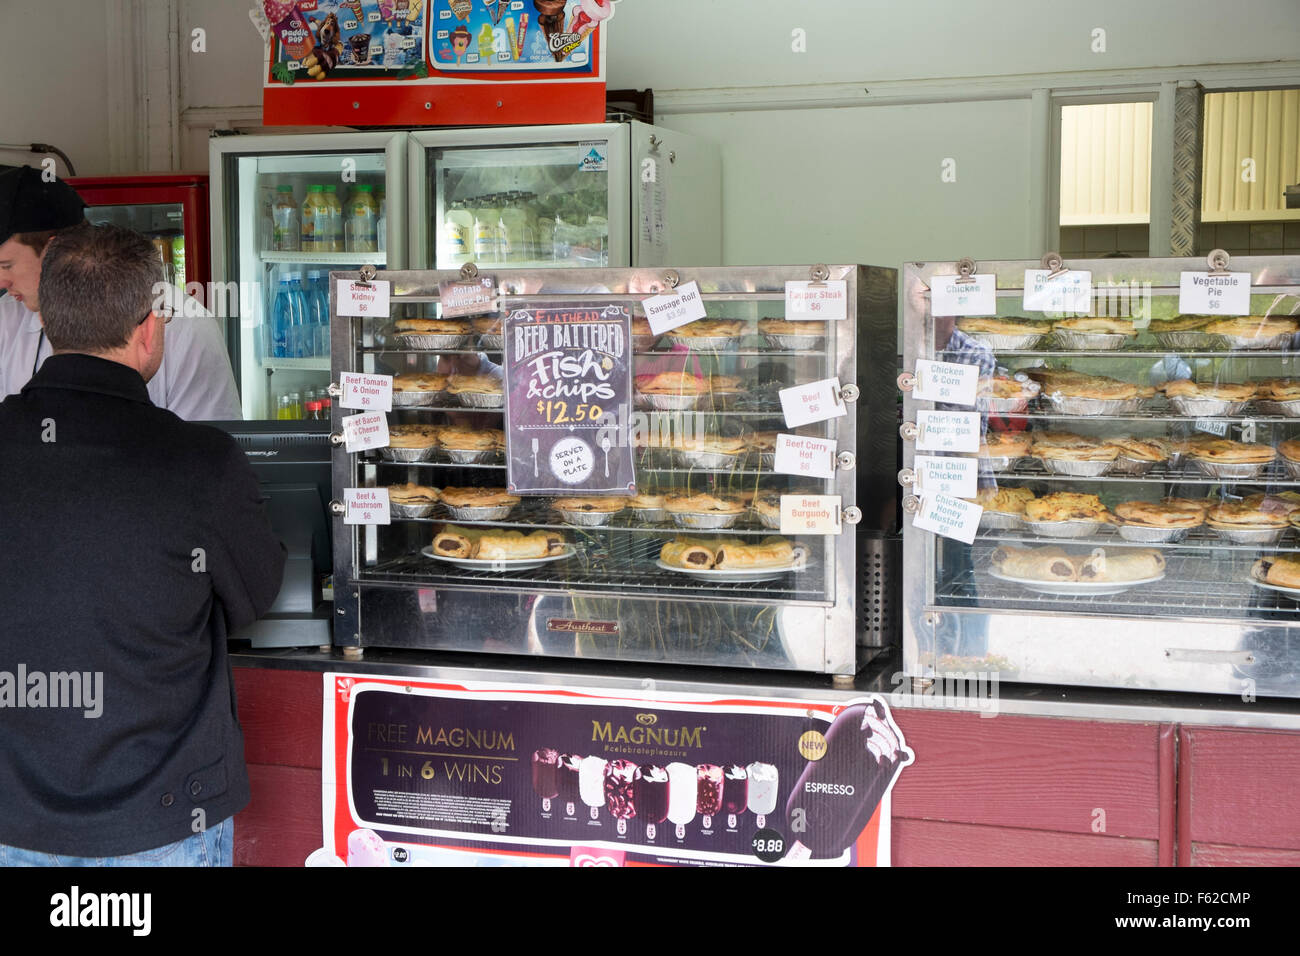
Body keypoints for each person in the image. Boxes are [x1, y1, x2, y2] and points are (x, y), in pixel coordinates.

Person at [0, 223, 286, 865]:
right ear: (149, 328)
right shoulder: (200, 463)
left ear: (50, 324)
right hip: (162, 820)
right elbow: (255, 597)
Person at [0, 165, 242, 419]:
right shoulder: (7, 319)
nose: (2, 282)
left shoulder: (183, 323)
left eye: (6, 266)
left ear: (52, 251)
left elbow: (208, 445)